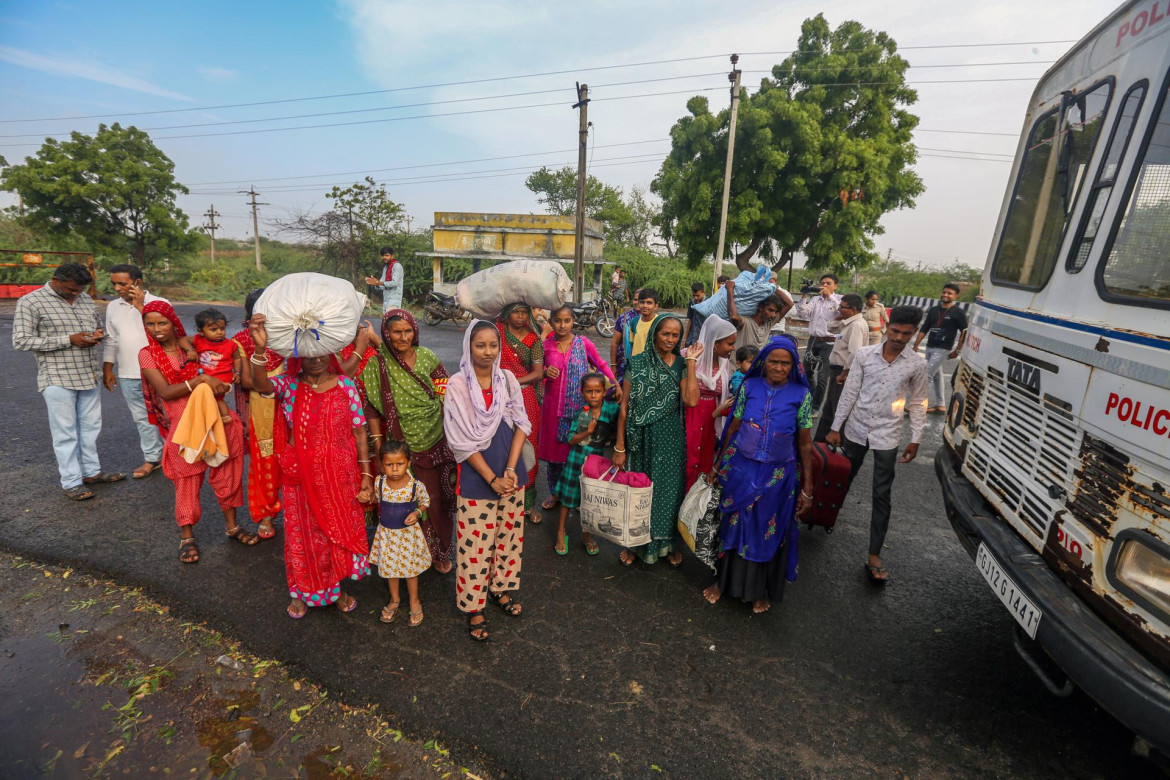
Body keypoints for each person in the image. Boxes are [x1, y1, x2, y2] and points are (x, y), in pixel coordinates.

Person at [248, 315, 372, 618]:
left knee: (332, 533)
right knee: (302, 535)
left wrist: (366, 476)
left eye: (320, 353)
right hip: (299, 475)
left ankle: (337, 590)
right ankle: (301, 591)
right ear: (299, 358)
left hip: (339, 475)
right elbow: (259, 383)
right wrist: (260, 349)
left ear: (328, 353)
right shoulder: (288, 386)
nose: (315, 359)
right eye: (308, 354)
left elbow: (359, 431)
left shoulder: (345, 385)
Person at [703, 335, 814, 614]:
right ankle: (722, 582)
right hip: (743, 469)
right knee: (734, 525)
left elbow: (804, 443)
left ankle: (758, 592)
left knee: (767, 530)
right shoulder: (749, 387)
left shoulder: (801, 396)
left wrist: (807, 488)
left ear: (793, 365)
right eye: (773, 361)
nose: (778, 367)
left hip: (778, 476)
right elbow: (732, 428)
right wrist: (717, 466)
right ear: (764, 364)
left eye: (785, 363)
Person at [139, 301, 252, 562]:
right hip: (184, 425)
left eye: (162, 323)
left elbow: (226, 363)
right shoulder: (147, 354)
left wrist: (218, 381)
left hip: (219, 417)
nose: (157, 329)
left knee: (229, 472)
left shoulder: (191, 346)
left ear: (173, 322)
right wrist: (201, 380)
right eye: (150, 324)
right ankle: (187, 537)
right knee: (186, 479)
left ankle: (232, 527)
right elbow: (166, 392)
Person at [827, 306, 928, 585]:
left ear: (914, 333)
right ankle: (825, 520)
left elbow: (918, 402)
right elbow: (850, 392)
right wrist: (836, 427)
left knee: (882, 494)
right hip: (856, 428)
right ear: (887, 327)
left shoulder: (916, 364)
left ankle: (874, 554)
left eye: (906, 334)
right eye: (895, 331)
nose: (898, 337)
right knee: (841, 479)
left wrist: (916, 438)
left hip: (888, 434)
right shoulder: (864, 356)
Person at [443, 320, 531, 642]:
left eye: (493, 345)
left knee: (508, 539)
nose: (487, 352)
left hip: (510, 473)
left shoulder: (507, 380)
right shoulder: (457, 386)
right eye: (480, 345)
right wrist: (492, 477)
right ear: (469, 346)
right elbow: (460, 443)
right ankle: (474, 606)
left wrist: (509, 471)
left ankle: (500, 589)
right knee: (474, 547)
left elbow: (522, 423)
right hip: (478, 478)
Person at [13, 262, 123, 500]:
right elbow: (21, 341)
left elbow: (96, 326)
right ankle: (71, 481)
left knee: (91, 428)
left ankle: (91, 472)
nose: (76, 294)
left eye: (80, 290)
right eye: (71, 289)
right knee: (65, 432)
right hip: (57, 376)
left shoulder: (84, 298)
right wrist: (68, 340)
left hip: (88, 373)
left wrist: (96, 335)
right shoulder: (31, 302)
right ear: (55, 279)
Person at [362, 309, 458, 574]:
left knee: (439, 500)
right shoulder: (377, 364)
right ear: (386, 334)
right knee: (411, 501)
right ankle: (417, 553)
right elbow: (370, 408)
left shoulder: (427, 356)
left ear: (415, 331)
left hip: (437, 438)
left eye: (408, 331)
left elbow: (444, 386)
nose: (403, 337)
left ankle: (440, 552)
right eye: (396, 332)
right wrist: (380, 447)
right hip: (403, 444)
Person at [613, 314, 701, 566]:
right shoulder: (637, 363)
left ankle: (666, 543)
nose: (670, 339)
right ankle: (635, 545)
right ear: (654, 335)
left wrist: (692, 362)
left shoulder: (682, 364)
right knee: (639, 491)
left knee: (668, 493)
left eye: (675, 335)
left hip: (671, 438)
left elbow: (691, 400)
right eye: (666, 334)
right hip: (640, 437)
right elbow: (625, 407)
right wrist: (619, 446)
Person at [537, 305, 619, 521]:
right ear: (551, 322)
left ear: (573, 321)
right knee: (555, 458)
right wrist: (545, 373)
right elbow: (535, 374)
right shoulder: (545, 346)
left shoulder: (583, 344)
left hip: (579, 412)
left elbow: (600, 364)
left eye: (567, 321)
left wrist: (615, 384)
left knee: (577, 456)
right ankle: (556, 493)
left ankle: (577, 496)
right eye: (557, 321)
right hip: (553, 411)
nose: (562, 325)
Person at [102, 264, 165, 479]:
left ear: (138, 282)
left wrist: (141, 307)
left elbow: (166, 335)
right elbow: (112, 338)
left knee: (168, 414)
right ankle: (153, 458)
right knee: (141, 417)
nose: (117, 288)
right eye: (114, 284)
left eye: (122, 283)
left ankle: (177, 455)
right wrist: (108, 368)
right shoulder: (113, 307)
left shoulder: (159, 303)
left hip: (159, 371)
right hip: (128, 373)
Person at [231, 289, 284, 540]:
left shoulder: (288, 336)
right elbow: (247, 381)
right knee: (266, 461)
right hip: (262, 411)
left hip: (291, 406)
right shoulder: (242, 339)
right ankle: (267, 514)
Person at [366, 439, 430, 627]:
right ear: (382, 464)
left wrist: (417, 513)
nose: (395, 469)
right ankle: (395, 599)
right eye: (389, 464)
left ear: (409, 462)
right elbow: (375, 499)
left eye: (399, 464)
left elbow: (425, 501)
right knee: (390, 570)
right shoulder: (379, 483)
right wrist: (366, 496)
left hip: (408, 536)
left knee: (410, 571)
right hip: (387, 536)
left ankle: (414, 600)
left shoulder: (415, 486)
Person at [553, 372, 618, 556]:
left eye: (598, 391)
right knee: (568, 498)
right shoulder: (581, 413)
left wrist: (620, 388)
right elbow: (570, 440)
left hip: (596, 461)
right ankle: (560, 531)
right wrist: (587, 432)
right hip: (577, 458)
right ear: (582, 393)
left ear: (604, 392)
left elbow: (622, 414)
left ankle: (586, 535)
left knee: (589, 500)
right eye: (589, 391)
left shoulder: (611, 409)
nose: (594, 395)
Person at [495, 303, 545, 522]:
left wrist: (511, 382)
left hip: (525, 397)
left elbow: (537, 373)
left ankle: (528, 504)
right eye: (516, 311)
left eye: (524, 312)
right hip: (497, 395)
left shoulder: (533, 340)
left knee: (528, 446)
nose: (520, 316)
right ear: (507, 314)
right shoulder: (497, 333)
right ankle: (502, 497)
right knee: (500, 445)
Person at [686, 314, 737, 488]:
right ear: (715, 344)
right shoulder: (691, 358)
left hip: (711, 417)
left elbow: (722, 394)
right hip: (689, 415)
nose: (733, 347)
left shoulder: (725, 364)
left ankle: (696, 502)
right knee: (687, 457)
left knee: (705, 457)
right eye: (729, 343)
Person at [814, 294, 868, 442]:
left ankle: (838, 444)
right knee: (829, 409)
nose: (839, 309)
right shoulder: (848, 322)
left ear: (854, 309)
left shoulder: (856, 325)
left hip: (843, 373)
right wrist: (839, 315)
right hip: (837, 371)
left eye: (843, 307)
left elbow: (855, 352)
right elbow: (831, 327)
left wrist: (844, 373)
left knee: (839, 410)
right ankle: (819, 444)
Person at [913, 283, 968, 414]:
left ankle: (918, 406)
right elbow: (924, 328)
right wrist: (916, 344)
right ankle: (941, 405)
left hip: (943, 348)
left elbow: (964, 332)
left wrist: (957, 351)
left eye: (949, 293)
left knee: (927, 374)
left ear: (956, 296)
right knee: (937, 376)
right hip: (930, 346)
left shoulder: (958, 313)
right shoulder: (933, 310)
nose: (945, 295)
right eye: (944, 292)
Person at [794, 273, 842, 413]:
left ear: (835, 286)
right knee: (806, 372)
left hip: (829, 343)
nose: (824, 286)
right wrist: (804, 296)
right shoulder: (815, 299)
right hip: (813, 340)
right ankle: (810, 399)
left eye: (828, 283)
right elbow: (802, 314)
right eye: (823, 283)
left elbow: (841, 313)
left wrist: (830, 297)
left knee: (822, 377)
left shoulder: (839, 299)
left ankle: (815, 408)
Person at [191, 307, 241, 421]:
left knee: (217, 397)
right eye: (213, 330)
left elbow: (237, 358)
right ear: (201, 331)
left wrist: (237, 372)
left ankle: (225, 416)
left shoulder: (230, 345)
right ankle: (212, 416)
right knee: (207, 397)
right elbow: (182, 341)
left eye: (222, 328)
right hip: (204, 375)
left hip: (222, 376)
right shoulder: (198, 340)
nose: (219, 332)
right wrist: (190, 350)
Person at [614, 287, 661, 383]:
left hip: (654, 370)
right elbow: (631, 347)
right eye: (642, 302)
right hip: (636, 369)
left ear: (656, 306)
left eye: (649, 303)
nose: (645, 305)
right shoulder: (634, 322)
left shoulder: (661, 323)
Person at [609, 287, 645, 383]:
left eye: (641, 300)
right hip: (624, 365)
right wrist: (613, 365)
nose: (637, 302)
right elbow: (615, 343)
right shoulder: (624, 318)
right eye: (635, 299)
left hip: (645, 366)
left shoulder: (653, 320)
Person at [365, 246, 404, 315]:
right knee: (386, 324)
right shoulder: (386, 268)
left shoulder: (397, 266)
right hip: (386, 302)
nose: (384, 257)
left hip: (394, 302)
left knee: (391, 323)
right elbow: (382, 285)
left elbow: (394, 283)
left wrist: (378, 282)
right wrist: (375, 283)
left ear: (392, 256)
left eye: (387, 255)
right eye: (382, 256)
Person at [684, 282, 707, 346]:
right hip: (691, 339)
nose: (695, 298)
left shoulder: (708, 303)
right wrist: (685, 339)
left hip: (703, 339)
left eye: (697, 295)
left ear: (703, 292)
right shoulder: (692, 303)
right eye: (694, 295)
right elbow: (690, 321)